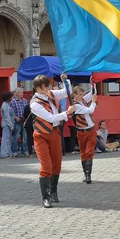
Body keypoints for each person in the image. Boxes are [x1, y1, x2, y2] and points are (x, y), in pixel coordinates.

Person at [30, 74, 75, 208]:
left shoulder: (51, 94)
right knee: (46, 166)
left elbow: (67, 92)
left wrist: (65, 80)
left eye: (48, 85)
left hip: (55, 132)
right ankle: (46, 197)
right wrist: (67, 112)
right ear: (38, 88)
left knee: (57, 164)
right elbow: (50, 118)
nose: (48, 87)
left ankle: (54, 192)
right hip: (41, 135)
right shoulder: (35, 104)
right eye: (45, 86)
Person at [72, 84, 98, 184]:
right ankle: (86, 174)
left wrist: (93, 83)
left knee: (88, 152)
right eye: (79, 95)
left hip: (90, 130)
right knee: (83, 152)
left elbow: (92, 93)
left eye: (82, 94)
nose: (82, 96)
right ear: (74, 95)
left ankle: (88, 175)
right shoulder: (76, 105)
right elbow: (90, 110)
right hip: (82, 131)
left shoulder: (82, 101)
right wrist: (94, 102)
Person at [11, 88, 29, 157]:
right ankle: (14, 151)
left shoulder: (25, 101)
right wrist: (15, 118)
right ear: (17, 93)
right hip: (17, 121)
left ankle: (24, 151)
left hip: (24, 121)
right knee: (16, 136)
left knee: (24, 137)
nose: (22, 93)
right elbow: (11, 112)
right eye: (21, 92)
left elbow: (28, 111)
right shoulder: (13, 102)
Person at [0, 91, 15, 159]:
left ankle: (8, 153)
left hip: (7, 124)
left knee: (8, 139)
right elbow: (7, 117)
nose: (12, 98)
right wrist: (11, 126)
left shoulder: (7, 104)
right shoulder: (5, 105)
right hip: (7, 124)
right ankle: (5, 154)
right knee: (6, 139)